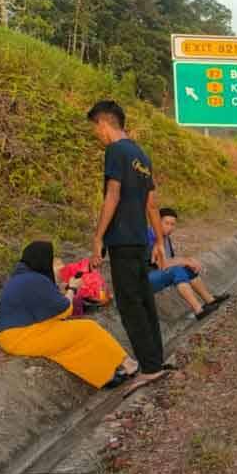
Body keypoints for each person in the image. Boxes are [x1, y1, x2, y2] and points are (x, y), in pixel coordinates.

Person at [87, 100, 168, 396]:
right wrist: (159, 241)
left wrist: (98, 237)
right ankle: (155, 359)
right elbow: (151, 202)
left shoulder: (115, 151)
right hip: (139, 239)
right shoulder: (141, 154)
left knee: (130, 305)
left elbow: (113, 194)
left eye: (96, 129)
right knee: (145, 300)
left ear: (104, 124)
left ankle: (150, 368)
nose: (97, 135)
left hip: (121, 239)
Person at [0, 242, 138, 389]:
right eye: (51, 259)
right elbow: (64, 309)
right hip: (22, 336)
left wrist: (61, 290)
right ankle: (128, 363)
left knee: (66, 348)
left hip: (15, 334)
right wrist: (72, 288)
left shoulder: (20, 277)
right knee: (88, 328)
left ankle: (105, 377)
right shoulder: (35, 280)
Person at [147, 208, 230, 320]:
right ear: (157, 222)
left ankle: (209, 300)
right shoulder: (149, 236)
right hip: (144, 280)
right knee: (177, 270)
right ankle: (198, 310)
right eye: (166, 223)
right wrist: (184, 261)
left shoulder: (165, 238)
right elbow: (161, 264)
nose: (170, 227)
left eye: (172, 224)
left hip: (158, 275)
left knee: (187, 268)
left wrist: (188, 261)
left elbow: (171, 260)